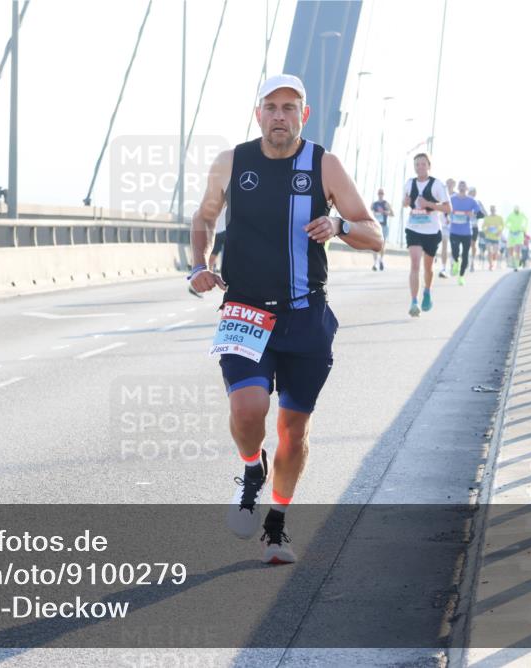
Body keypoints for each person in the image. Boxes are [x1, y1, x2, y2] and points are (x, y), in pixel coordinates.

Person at [188, 73, 382, 564]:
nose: (279, 116)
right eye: (271, 107)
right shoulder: (232, 161)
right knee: (248, 410)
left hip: (305, 318)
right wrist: (198, 265)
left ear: (304, 114)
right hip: (244, 311)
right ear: (258, 114)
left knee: (294, 434)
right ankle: (251, 468)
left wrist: (339, 226)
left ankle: (276, 524)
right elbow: (205, 217)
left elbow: (374, 234)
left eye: (289, 107)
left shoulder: (324, 164)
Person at [402, 154, 452, 316]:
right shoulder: (410, 183)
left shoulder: (437, 185)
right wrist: (406, 202)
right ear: (414, 167)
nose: (420, 167)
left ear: (429, 166)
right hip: (413, 228)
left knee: (428, 268)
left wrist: (428, 204)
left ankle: (427, 291)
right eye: (417, 164)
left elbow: (448, 208)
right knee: (415, 264)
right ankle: (414, 302)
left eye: (423, 164)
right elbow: (404, 203)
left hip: (431, 231)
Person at [448, 181, 477, 285]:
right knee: (455, 251)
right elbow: (445, 209)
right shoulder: (452, 199)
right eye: (460, 184)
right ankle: (455, 263)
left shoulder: (471, 200)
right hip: (454, 230)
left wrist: (472, 213)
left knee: (465, 255)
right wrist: (447, 216)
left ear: (467, 188)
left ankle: (461, 276)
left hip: (466, 232)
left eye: (464, 185)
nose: (462, 186)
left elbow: (478, 211)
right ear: (458, 187)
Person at [437, 178, 456, 278]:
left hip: (454, 226)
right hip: (443, 225)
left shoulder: (456, 197)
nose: (449, 185)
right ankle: (443, 268)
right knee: (444, 245)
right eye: (447, 183)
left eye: (451, 183)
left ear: (454, 185)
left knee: (453, 247)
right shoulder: (441, 196)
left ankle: (453, 263)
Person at [370, 189, 394, 271]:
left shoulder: (386, 204)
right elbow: (368, 213)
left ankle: (381, 259)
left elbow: (392, 214)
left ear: (384, 194)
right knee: (374, 244)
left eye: (382, 193)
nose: (380, 194)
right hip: (375, 226)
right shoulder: (374, 204)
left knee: (382, 245)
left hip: (384, 226)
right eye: (379, 193)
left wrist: (385, 212)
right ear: (378, 194)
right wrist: (373, 214)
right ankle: (375, 263)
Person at [505, 206, 529, 272]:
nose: (517, 212)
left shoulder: (522, 214)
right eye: (516, 211)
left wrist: (524, 228)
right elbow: (506, 223)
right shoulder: (511, 215)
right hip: (512, 234)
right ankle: (513, 263)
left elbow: (527, 220)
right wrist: (509, 227)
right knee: (511, 251)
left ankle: (517, 265)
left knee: (517, 250)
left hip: (519, 234)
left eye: (518, 210)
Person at [468, 186, 486, 270]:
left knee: (473, 245)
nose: (472, 193)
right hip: (464, 226)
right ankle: (467, 261)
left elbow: (485, 214)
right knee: (466, 245)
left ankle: (472, 262)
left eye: (473, 192)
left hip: (474, 226)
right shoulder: (464, 200)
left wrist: (476, 214)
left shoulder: (478, 202)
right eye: (471, 191)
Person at [481, 205, 504, 270]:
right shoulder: (487, 218)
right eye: (491, 209)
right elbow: (483, 227)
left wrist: (499, 232)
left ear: (495, 210)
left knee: (495, 252)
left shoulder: (499, 218)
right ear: (490, 210)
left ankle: (494, 261)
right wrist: (486, 230)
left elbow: (502, 226)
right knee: (489, 251)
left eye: (493, 209)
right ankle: (491, 265)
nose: (492, 210)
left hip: (496, 238)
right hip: (488, 237)